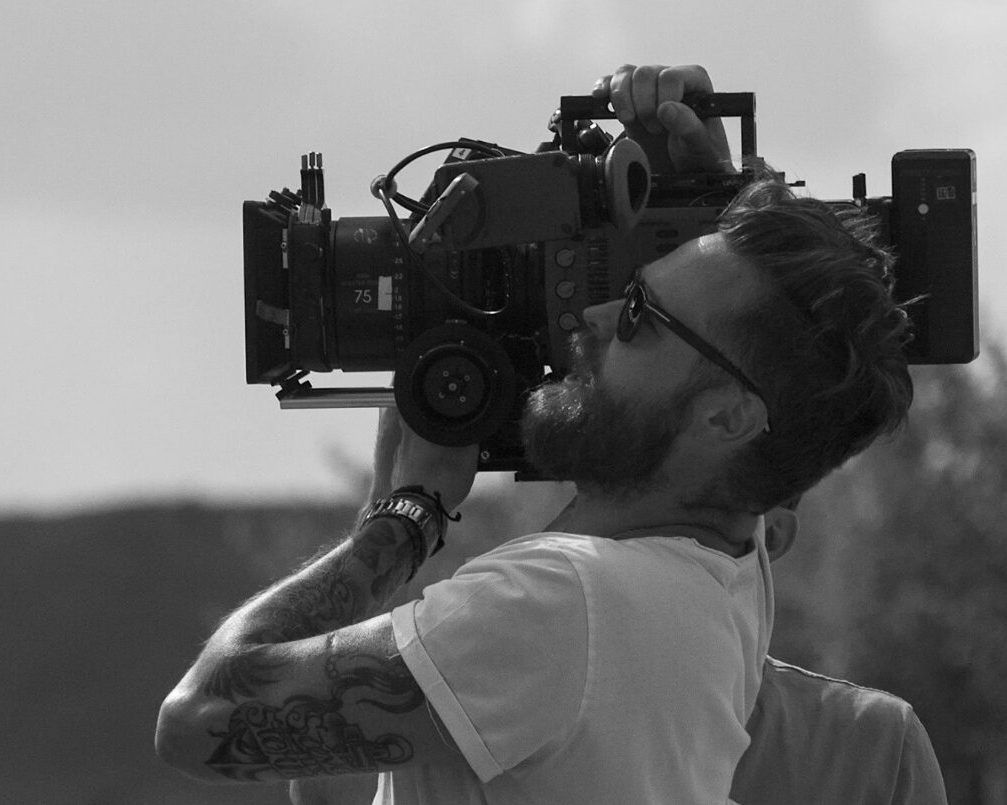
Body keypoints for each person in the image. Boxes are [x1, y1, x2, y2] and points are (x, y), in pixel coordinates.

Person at [154, 64, 916, 802]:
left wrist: (404, 518)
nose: (590, 317)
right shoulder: (726, 570)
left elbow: (200, 720)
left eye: (637, 316)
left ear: (725, 416)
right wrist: (699, 197)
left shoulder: (561, 605)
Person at [287, 505, 950, 805]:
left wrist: (400, 508)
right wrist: (401, 500)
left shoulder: (868, 745)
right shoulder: (469, 691)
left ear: (769, 534)